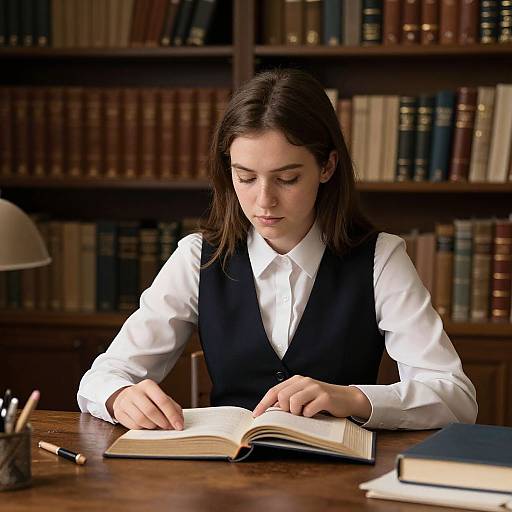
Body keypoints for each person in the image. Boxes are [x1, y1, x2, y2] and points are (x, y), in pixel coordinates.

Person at [78, 68, 477, 431]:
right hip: (226, 481)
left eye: (287, 178)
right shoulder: (197, 256)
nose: (263, 201)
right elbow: (102, 377)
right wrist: (118, 396)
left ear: (327, 167)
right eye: (246, 177)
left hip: (340, 485)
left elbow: (456, 397)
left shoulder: (380, 258)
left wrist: (353, 397)